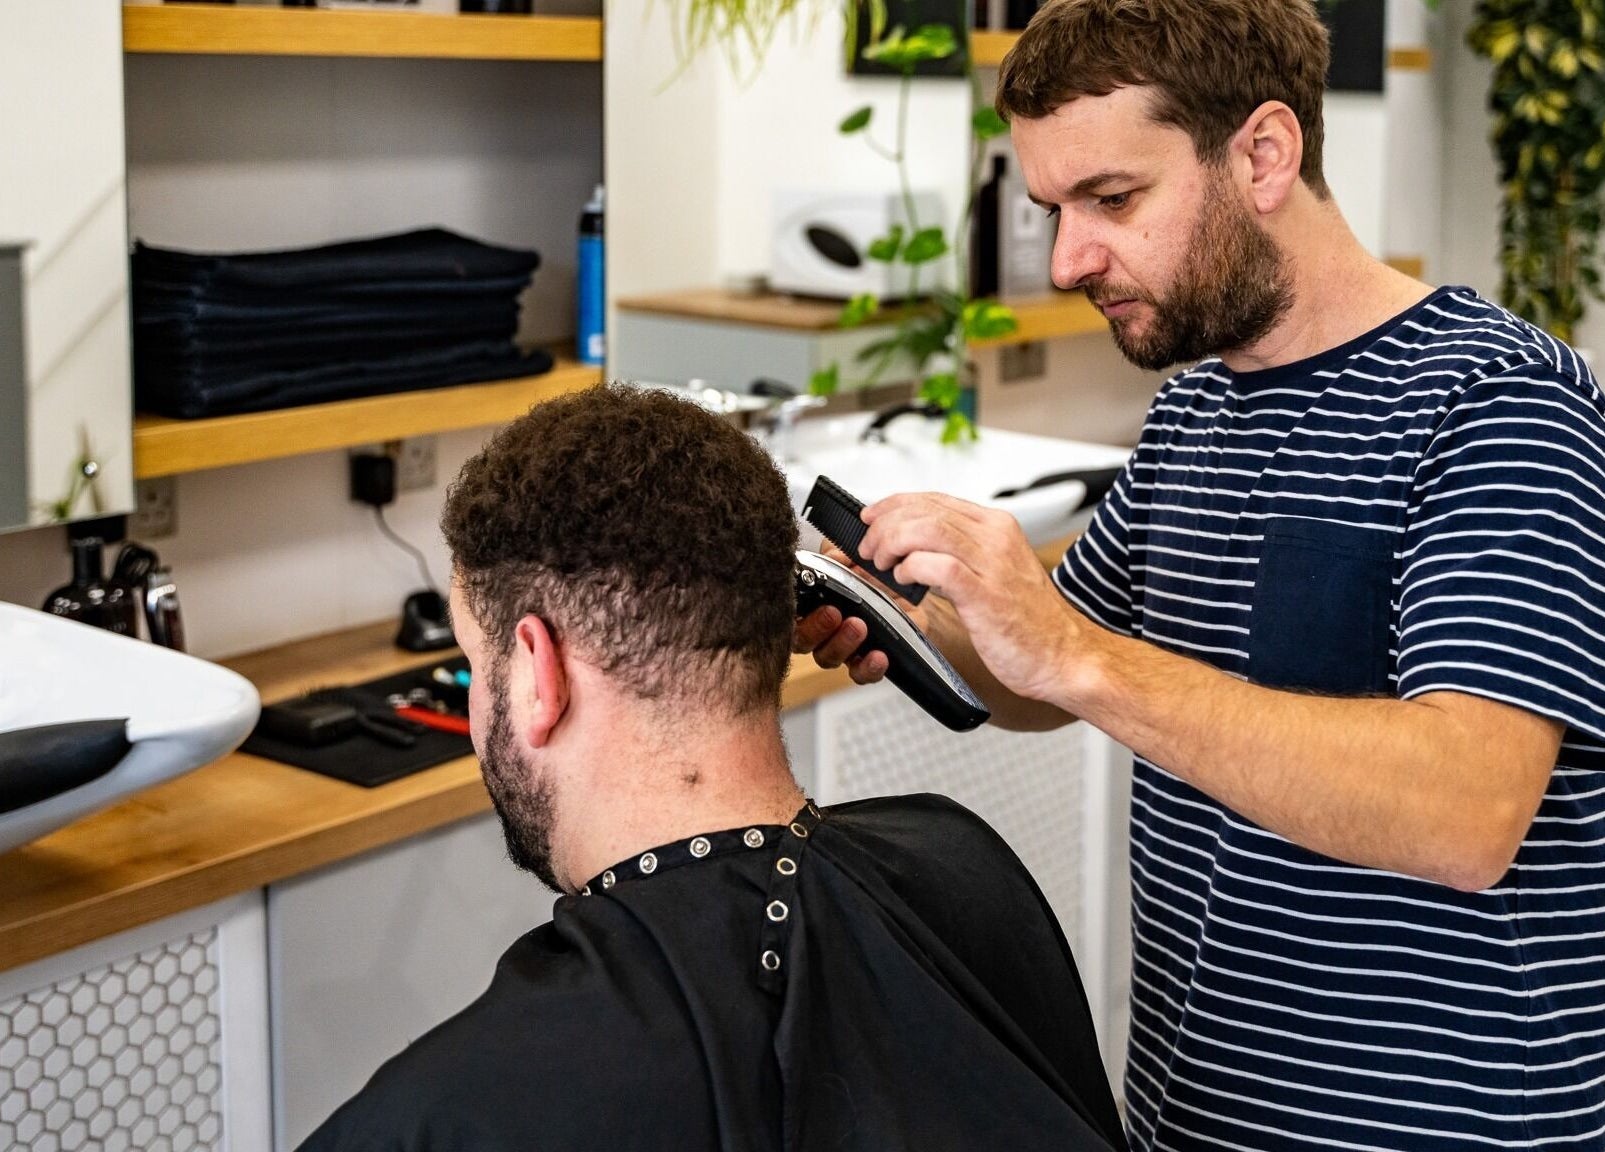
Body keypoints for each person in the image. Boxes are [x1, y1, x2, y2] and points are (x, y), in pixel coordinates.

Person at [796, 1, 1605, 1148]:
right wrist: (911, 615)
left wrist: (1075, 650)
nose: (1071, 257)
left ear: (1264, 153)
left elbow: (1465, 812)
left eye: (1111, 200)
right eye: (1053, 211)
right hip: (1196, 1111)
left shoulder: (1499, 404)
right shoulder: (1195, 410)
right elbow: (1049, 676)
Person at [297, 383, 1126, 1152]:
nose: (482, 706)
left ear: (538, 673)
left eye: (480, 667)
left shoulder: (444, 1115)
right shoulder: (961, 862)